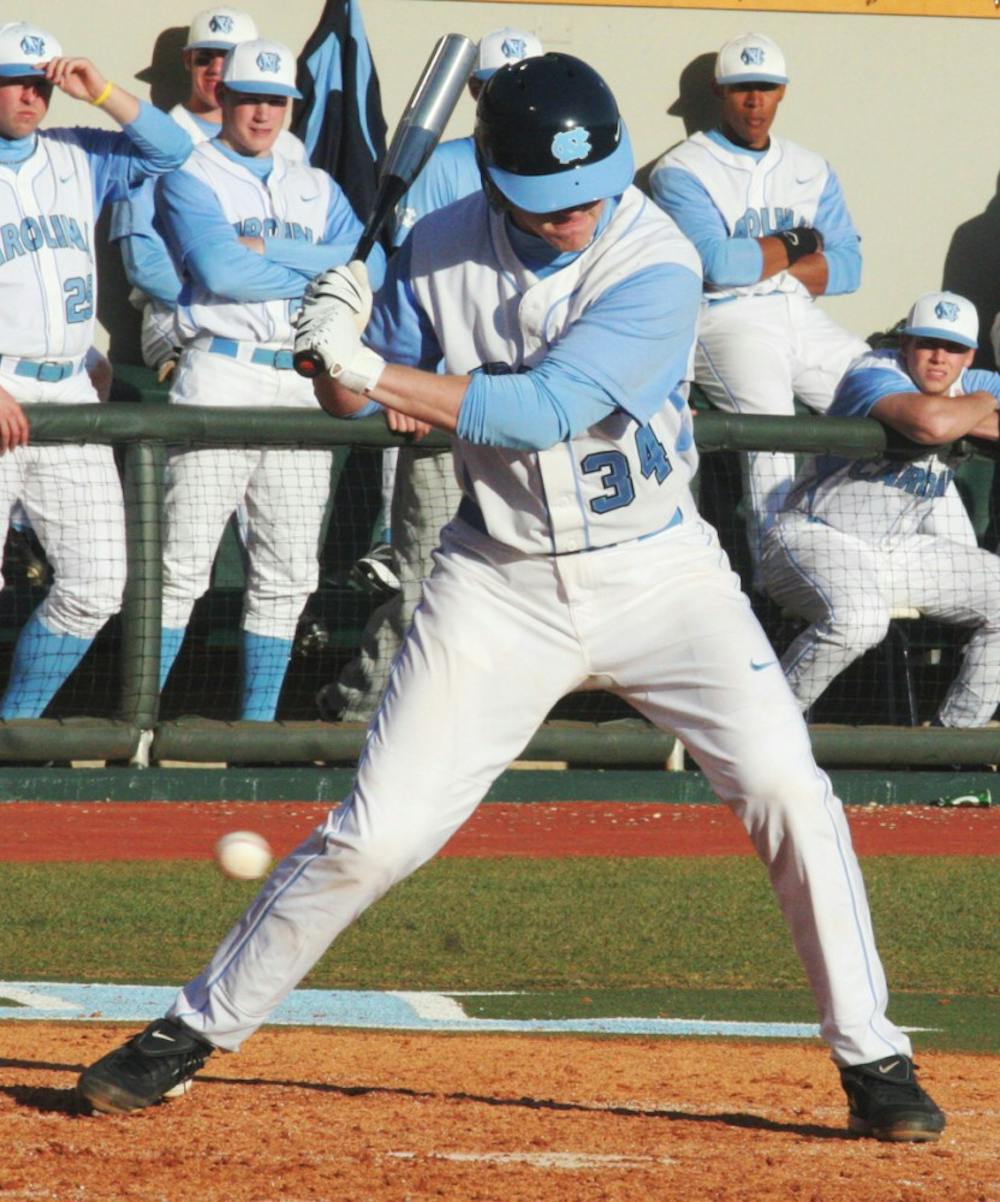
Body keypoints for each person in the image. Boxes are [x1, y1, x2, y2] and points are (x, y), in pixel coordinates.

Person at [78, 53, 944, 1143]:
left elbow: (534, 412)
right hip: (496, 580)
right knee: (376, 832)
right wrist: (330, 341)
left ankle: (871, 1054)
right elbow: (354, 391)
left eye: (592, 190)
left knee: (788, 789)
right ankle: (189, 1030)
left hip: (661, 573)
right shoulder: (435, 245)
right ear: (491, 184)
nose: (579, 213)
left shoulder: (657, 259)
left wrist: (372, 369)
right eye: (549, 202)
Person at [151, 38, 385, 720]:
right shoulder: (190, 173)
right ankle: (138, 723)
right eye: (250, 97)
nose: (262, 113)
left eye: (276, 101)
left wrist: (271, 249)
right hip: (224, 369)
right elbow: (220, 273)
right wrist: (318, 265)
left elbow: (371, 267)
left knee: (289, 575)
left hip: (301, 381)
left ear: (292, 106)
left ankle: (254, 729)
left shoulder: (315, 182)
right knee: (179, 567)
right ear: (222, 96)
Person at [320, 25, 543, 723]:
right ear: (473, 93)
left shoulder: (570, 180)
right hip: (447, 413)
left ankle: (485, 720)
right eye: (493, 84)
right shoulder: (438, 169)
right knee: (424, 579)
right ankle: (359, 711)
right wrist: (407, 381)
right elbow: (416, 292)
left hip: (536, 414)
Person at [0, 21, 191, 719]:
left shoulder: (77, 153)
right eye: (14, 81)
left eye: (38, 81)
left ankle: (12, 733)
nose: (30, 94)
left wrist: (101, 90)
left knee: (101, 583)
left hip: (70, 388)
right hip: (1, 384)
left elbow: (174, 150)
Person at [649, 32, 868, 578]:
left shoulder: (811, 168)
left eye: (765, 88)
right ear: (721, 94)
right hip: (726, 321)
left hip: (800, 315)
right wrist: (798, 243)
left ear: (782, 93)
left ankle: (865, 552)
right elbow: (719, 267)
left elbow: (848, 268)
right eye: (742, 88)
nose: (754, 101)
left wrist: (762, 260)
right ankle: (779, 577)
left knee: (882, 385)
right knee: (770, 434)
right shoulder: (681, 169)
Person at [761, 290, 1000, 725]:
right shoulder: (873, 370)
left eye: (953, 348)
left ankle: (953, 744)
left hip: (897, 549)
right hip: (814, 537)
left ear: (969, 357)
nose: (938, 358)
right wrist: (982, 406)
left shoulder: (974, 381)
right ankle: (763, 734)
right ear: (905, 344)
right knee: (859, 620)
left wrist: (963, 406)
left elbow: (940, 416)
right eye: (928, 343)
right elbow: (932, 424)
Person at [110, 6, 305, 385]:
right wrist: (223, 300)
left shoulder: (290, 148)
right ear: (188, 62)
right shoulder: (157, 137)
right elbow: (144, 263)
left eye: (229, 57)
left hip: (277, 316)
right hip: (179, 314)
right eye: (205, 57)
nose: (216, 68)